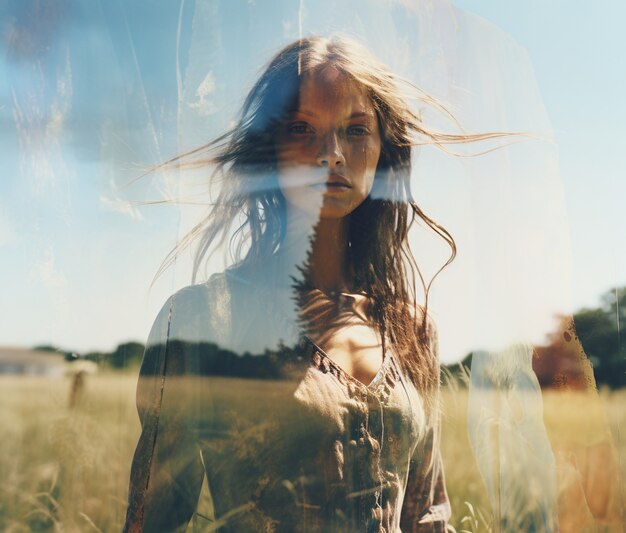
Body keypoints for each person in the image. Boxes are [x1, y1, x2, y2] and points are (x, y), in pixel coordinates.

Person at [123, 35, 498, 533]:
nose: (332, 154)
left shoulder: (411, 327)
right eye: (303, 129)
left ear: (384, 149)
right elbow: (153, 523)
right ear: (271, 148)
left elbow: (427, 516)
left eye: (356, 129)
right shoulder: (202, 320)